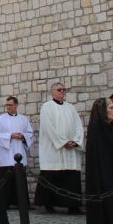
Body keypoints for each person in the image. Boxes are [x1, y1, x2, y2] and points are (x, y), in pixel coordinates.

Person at [35, 82, 84, 214]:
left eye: (63, 89)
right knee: (52, 175)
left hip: (71, 149)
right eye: (59, 89)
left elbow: (78, 126)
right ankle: (48, 204)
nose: (62, 91)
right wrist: (62, 142)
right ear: (52, 92)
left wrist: (75, 141)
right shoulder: (47, 107)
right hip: (54, 149)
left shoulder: (70, 108)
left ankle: (73, 206)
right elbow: (48, 127)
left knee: (71, 178)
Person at [0, 96, 34, 209]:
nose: (8, 107)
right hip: (7, 155)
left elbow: (30, 134)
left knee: (20, 179)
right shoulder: (1, 119)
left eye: (10, 105)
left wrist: (22, 136)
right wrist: (10, 135)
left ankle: (22, 203)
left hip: (20, 151)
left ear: (16, 105)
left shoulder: (23, 119)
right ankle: (5, 203)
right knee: (7, 180)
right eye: (7, 105)